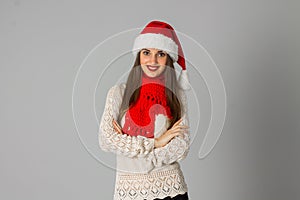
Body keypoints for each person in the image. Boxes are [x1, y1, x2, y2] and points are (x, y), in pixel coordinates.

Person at [99, 20, 191, 200]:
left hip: (170, 189)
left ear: (168, 59)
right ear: (138, 56)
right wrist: (156, 143)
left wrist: (132, 150)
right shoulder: (118, 93)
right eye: (146, 52)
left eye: (161, 54)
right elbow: (106, 140)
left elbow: (181, 147)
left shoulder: (177, 95)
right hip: (129, 190)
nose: (153, 60)